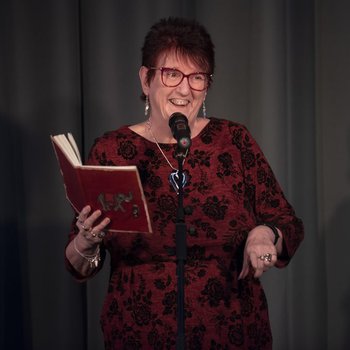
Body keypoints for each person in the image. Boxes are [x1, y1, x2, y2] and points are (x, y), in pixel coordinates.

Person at [65, 17, 304, 349]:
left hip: (232, 333)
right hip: (138, 335)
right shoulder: (111, 150)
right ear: (146, 79)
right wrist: (86, 243)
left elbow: (289, 227)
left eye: (197, 77)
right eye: (172, 74)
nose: (184, 88)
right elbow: (77, 264)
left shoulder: (234, 142)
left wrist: (264, 242)